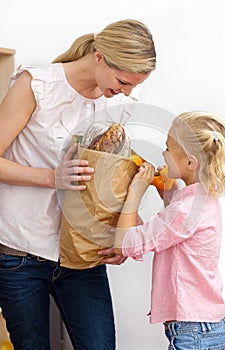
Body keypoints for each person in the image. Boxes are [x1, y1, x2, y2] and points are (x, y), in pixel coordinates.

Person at [0, 19, 156, 350]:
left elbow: (107, 175)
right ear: (100, 56)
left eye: (133, 86)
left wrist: (122, 233)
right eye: (123, 81)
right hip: (19, 254)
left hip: (82, 254)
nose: (128, 92)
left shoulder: (119, 100)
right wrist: (52, 178)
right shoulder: (37, 85)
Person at [113, 111, 225, 350]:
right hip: (203, 327)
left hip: (192, 332)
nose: (163, 154)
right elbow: (176, 232)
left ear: (189, 163)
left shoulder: (184, 211)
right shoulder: (201, 201)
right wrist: (168, 193)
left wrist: (135, 192)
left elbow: (126, 243)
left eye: (168, 148)